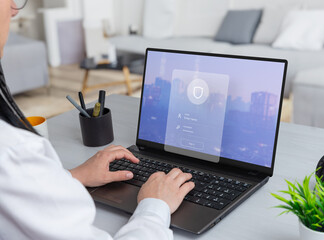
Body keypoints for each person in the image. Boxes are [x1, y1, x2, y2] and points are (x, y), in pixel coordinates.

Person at [0, 0, 195, 239]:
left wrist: (74, 176)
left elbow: (20, 194)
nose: (14, 8)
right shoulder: (11, 154)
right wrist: (155, 205)